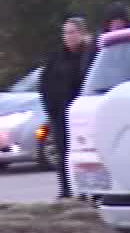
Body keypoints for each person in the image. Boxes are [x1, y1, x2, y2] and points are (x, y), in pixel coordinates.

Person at [38, 16, 94, 198]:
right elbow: (44, 84)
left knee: (87, 153)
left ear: (82, 33)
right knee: (64, 152)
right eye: (65, 33)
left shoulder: (89, 55)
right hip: (61, 114)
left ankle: (89, 191)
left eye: (72, 32)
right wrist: (51, 109)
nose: (68, 36)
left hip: (85, 114)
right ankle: (66, 190)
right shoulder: (56, 57)